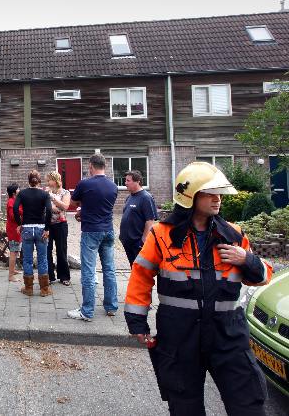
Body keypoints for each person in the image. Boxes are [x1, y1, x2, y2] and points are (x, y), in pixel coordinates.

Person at [124, 162, 272, 416]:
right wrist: (137, 322)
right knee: (184, 405)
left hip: (227, 334)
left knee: (248, 402)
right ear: (190, 196)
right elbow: (141, 275)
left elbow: (261, 278)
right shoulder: (162, 235)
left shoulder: (233, 235)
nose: (218, 200)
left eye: (220, 194)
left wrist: (246, 259)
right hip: (180, 335)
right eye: (210, 193)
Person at [68, 154, 118, 321]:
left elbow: (74, 203)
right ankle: (111, 307)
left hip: (91, 231)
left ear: (91, 166)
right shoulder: (113, 186)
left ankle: (87, 311)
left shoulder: (85, 183)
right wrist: (86, 210)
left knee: (88, 272)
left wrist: (83, 210)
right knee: (109, 270)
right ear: (104, 166)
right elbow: (103, 206)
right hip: (108, 231)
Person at [14, 170, 52, 296]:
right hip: (41, 229)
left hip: (27, 229)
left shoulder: (22, 194)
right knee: (42, 259)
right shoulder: (44, 194)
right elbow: (49, 211)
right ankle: (44, 289)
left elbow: (15, 208)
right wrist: (47, 228)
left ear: (28, 181)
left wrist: (19, 224)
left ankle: (29, 288)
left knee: (28, 259)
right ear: (39, 181)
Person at [119, 170, 158, 267]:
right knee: (133, 268)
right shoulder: (129, 197)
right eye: (125, 180)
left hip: (137, 242)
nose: (125, 183)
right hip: (127, 241)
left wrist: (144, 239)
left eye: (128, 181)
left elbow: (150, 220)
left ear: (138, 181)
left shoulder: (146, 198)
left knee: (141, 270)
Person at [45, 171, 71, 286]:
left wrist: (52, 199)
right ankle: (50, 276)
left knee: (61, 250)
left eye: (49, 179)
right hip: (47, 225)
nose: (47, 182)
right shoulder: (45, 192)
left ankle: (64, 276)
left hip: (61, 225)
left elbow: (65, 206)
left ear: (55, 180)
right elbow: (45, 207)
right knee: (47, 250)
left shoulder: (65, 192)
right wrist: (55, 207)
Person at [6, 183, 22, 282]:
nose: (19, 190)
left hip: (17, 229)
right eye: (18, 189)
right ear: (14, 192)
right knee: (13, 251)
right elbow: (13, 216)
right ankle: (10, 275)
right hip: (13, 230)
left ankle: (13, 270)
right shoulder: (11, 202)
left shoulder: (16, 201)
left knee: (16, 251)